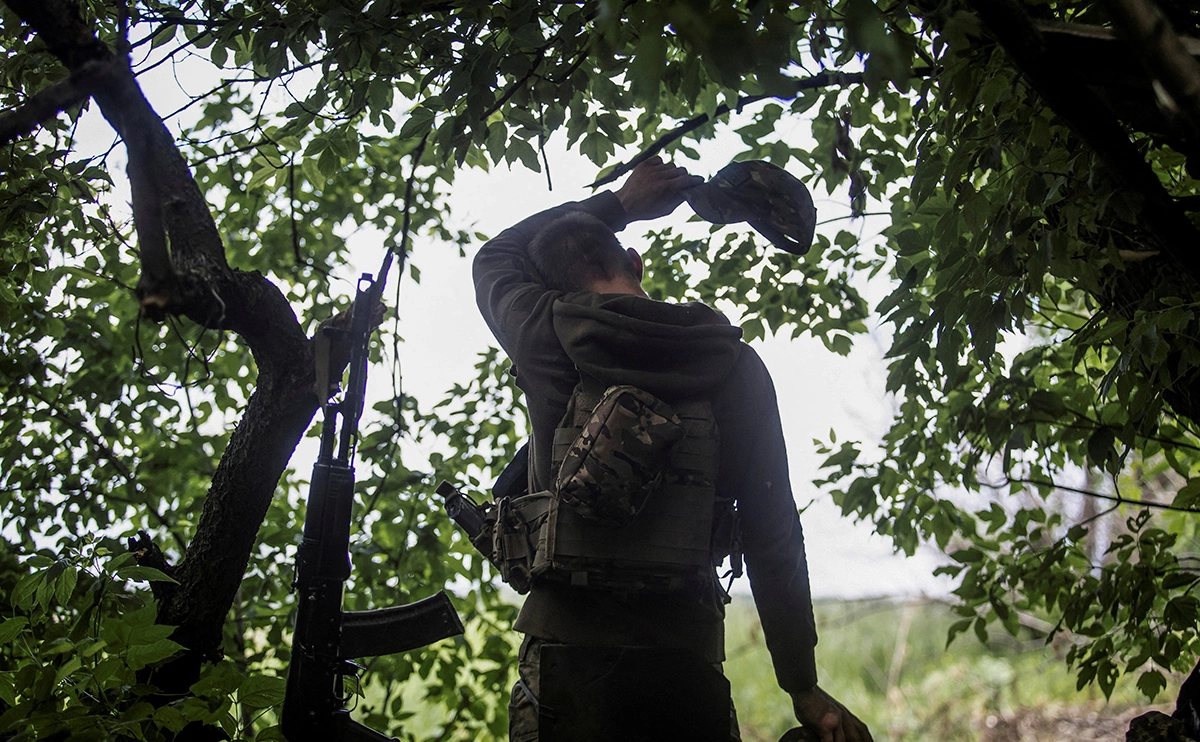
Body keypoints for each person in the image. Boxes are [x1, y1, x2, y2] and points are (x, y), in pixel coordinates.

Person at [472, 156, 873, 742]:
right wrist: (801, 684)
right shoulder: (732, 365)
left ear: (551, 288)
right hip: (683, 659)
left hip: (567, 660)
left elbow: (496, 256)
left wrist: (622, 204)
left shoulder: (546, 334)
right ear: (634, 264)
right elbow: (772, 531)